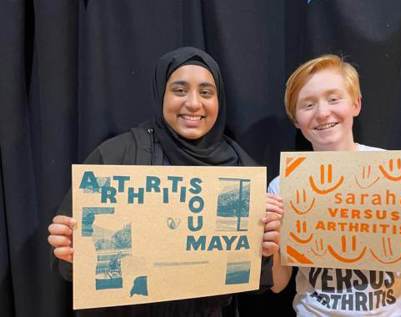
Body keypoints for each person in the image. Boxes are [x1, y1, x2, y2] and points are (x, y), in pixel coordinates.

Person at [47, 47, 282, 317]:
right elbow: (70, 267)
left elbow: (254, 282)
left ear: (220, 100)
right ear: (161, 94)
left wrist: (263, 250)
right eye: (179, 90)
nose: (194, 103)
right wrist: (70, 252)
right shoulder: (115, 158)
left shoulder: (241, 171)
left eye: (206, 92)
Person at [266, 54, 401, 316]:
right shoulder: (282, 187)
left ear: (356, 104)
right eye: (308, 105)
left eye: (334, 98)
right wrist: (271, 245)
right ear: (296, 120)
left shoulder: (398, 173)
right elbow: (278, 285)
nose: (323, 112)